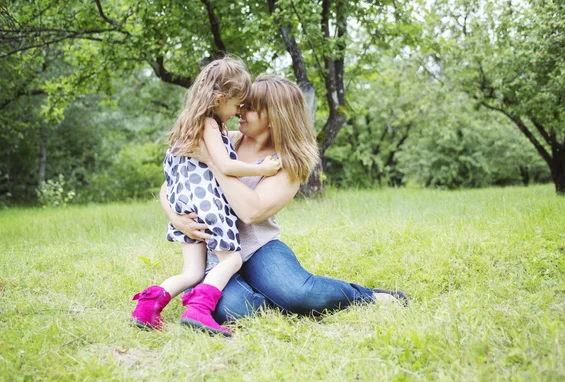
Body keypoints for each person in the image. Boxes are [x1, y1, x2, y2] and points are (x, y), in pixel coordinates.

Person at [159, 75, 408, 328]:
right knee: (234, 310)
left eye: (250, 108)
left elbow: (250, 211)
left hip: (259, 248)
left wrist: (215, 163)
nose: (239, 111)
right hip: (217, 253)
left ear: (274, 117)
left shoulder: (287, 163)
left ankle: (366, 296)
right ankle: (271, 298)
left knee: (300, 294)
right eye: (241, 104)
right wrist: (176, 219)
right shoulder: (224, 140)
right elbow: (170, 184)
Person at [131, 58, 281, 336]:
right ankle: (199, 310)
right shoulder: (209, 125)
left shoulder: (188, 123)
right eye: (237, 105)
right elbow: (225, 166)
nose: (238, 112)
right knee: (231, 261)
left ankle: (147, 307)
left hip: (185, 205)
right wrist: (261, 168)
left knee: (193, 272)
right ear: (220, 98)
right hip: (208, 205)